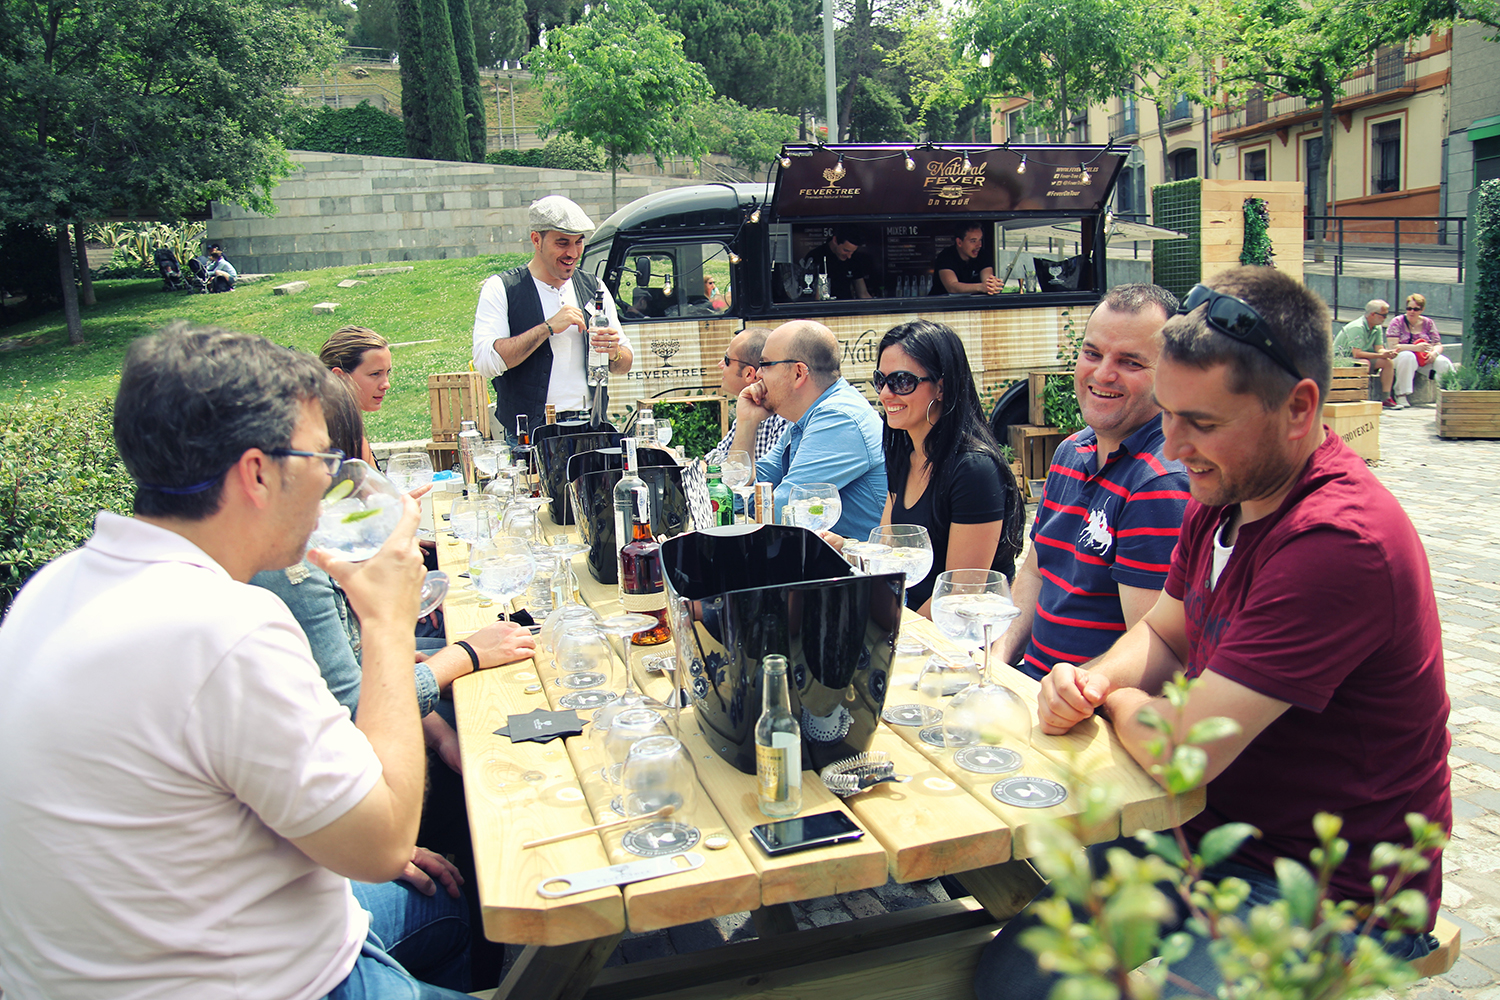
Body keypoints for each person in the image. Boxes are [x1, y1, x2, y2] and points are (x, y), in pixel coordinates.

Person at [973, 267, 1451, 1000]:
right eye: (1167, 412)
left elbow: (1182, 755)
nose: (1173, 442)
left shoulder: (1338, 541)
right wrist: (1098, 676)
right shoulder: (1228, 490)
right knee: (1013, 976)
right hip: (1205, 835)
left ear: (1299, 408)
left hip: (1335, 889)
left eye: (1201, 422)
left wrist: (1109, 704)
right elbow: (1166, 636)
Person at [0, 325, 474, 999]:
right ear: (257, 472)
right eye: (319, 461)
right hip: (258, 983)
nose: (333, 487)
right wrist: (387, 624)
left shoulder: (52, 587)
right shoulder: (226, 629)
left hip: (90, 968)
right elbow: (384, 845)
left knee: (439, 907)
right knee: (443, 896)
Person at [250, 378, 536, 770]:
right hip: (356, 765)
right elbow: (356, 712)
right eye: (328, 459)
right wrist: (463, 656)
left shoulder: (293, 546)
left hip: (389, 722)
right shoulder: (290, 564)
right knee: (515, 724)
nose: (344, 475)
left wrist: (440, 734)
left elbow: (358, 659)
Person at [994, 283, 1190, 681]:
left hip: (1089, 714)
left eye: (1131, 362)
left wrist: (1062, 692)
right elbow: (1035, 571)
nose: (1102, 374)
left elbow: (1154, 651)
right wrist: (997, 661)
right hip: (1030, 685)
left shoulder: (1161, 482)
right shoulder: (1071, 450)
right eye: (1092, 353)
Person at [869, 319, 1024, 613]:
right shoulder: (904, 451)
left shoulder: (974, 470)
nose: (886, 394)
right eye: (881, 380)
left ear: (941, 387)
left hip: (956, 634)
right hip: (906, 615)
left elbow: (960, 591)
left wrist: (895, 630)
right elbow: (885, 548)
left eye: (902, 381)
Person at [471, 196, 633, 437]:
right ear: (536, 240)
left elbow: (626, 362)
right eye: (562, 243)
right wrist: (546, 328)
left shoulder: (594, 287)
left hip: (591, 426)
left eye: (578, 242)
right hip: (528, 435)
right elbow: (485, 363)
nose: (573, 252)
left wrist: (613, 351)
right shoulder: (502, 288)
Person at [729, 319, 885, 537]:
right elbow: (737, 496)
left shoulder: (839, 417)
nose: (758, 375)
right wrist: (747, 422)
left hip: (860, 567)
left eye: (765, 365)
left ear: (798, 373)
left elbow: (784, 513)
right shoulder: (806, 417)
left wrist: (750, 499)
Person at [703, 326, 788, 466]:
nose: (720, 365)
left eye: (727, 359)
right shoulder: (749, 406)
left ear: (749, 374)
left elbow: (760, 478)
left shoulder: (783, 417)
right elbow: (711, 462)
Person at [320, 325, 392, 464]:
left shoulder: (341, 425)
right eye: (375, 374)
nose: (386, 384)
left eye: (387, 372)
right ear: (340, 377)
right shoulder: (341, 437)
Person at [1389, 292, 1456, 408]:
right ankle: (1401, 394)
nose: (1412, 312)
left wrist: (1434, 353)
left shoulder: (1428, 323)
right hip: (1400, 357)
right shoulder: (1397, 321)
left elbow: (1437, 344)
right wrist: (1414, 348)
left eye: (1416, 309)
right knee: (1408, 356)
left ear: (1422, 309)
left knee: (1443, 362)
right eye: (1409, 308)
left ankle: (1448, 394)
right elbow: (1393, 346)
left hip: (1423, 358)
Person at [1331, 299, 1397, 405]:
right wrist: (1380, 354)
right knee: (1364, 363)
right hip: (1343, 358)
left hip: (1360, 356)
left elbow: (1379, 348)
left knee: (1387, 362)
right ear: (1372, 314)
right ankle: (1360, 394)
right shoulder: (1357, 327)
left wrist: (1387, 353)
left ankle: (1386, 397)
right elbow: (1356, 353)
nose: (1385, 318)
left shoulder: (1377, 327)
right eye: (1383, 315)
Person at [800, 226, 875, 300]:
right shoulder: (815, 257)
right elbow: (809, 294)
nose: (849, 256)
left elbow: (862, 293)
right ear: (835, 240)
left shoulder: (854, 258)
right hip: (823, 309)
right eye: (846, 250)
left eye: (852, 252)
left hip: (847, 308)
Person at [929, 222, 1001, 296]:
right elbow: (952, 287)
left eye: (980, 240)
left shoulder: (983, 255)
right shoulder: (945, 256)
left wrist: (991, 285)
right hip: (942, 305)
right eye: (973, 241)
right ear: (959, 242)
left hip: (974, 304)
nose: (979, 245)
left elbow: (988, 281)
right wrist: (981, 287)